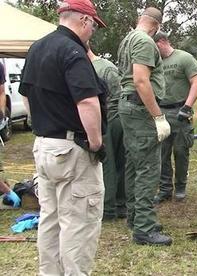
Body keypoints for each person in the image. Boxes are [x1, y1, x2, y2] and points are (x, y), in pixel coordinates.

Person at [18, 0, 107, 274]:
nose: (93, 31)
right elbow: (87, 103)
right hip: (72, 149)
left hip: (44, 145)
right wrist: (95, 143)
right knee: (79, 223)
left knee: (51, 219)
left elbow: (25, 94)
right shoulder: (72, 51)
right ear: (83, 20)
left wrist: (45, 125)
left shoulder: (37, 48)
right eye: (93, 24)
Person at [117, 7, 172, 246]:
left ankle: (137, 216)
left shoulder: (127, 40)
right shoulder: (145, 41)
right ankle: (144, 229)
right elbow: (141, 80)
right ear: (157, 26)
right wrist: (158, 117)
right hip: (140, 110)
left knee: (134, 163)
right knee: (148, 168)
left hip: (128, 107)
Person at [153, 31, 197, 202]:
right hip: (161, 112)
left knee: (181, 151)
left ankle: (180, 187)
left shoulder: (184, 58)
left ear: (162, 41)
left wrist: (187, 107)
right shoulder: (155, 62)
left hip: (180, 110)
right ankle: (165, 189)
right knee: (162, 153)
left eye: (154, 45)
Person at [87, 45, 126, 220]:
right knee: (115, 164)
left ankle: (110, 208)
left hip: (109, 120)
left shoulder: (105, 68)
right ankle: (118, 204)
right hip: (103, 120)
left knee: (108, 164)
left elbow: (119, 96)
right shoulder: (88, 66)